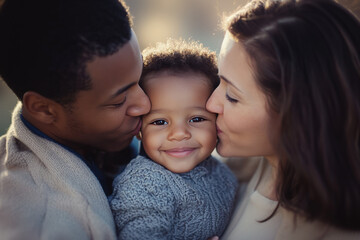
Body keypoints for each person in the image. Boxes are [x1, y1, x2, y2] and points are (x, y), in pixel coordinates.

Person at [205, 0, 360, 239]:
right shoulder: (226, 171)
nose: (210, 104)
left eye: (231, 96)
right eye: (219, 80)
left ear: (298, 116)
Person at [0, 0, 150, 239]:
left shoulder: (93, 134)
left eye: (140, 76)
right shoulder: (46, 226)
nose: (145, 104)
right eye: (118, 101)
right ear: (44, 109)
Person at [108, 39, 238, 240]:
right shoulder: (145, 182)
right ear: (139, 129)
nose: (179, 133)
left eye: (196, 119)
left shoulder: (220, 170)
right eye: (159, 122)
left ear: (217, 120)